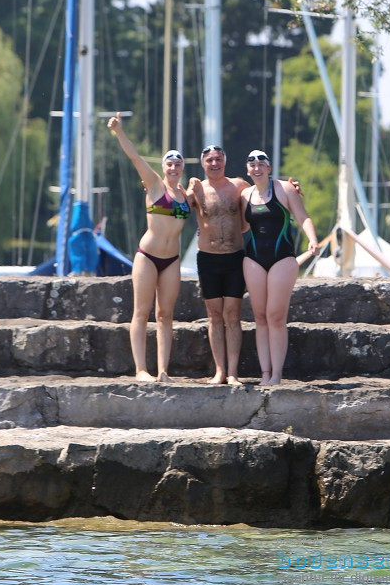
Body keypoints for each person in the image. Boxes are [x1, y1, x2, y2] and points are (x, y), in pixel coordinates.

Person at [108, 112, 190, 382]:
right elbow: (134, 157)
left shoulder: (187, 195)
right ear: (164, 167)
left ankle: (164, 370)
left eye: (178, 164)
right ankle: (141, 369)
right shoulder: (155, 184)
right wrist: (119, 131)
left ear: (183, 168)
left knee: (165, 315)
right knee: (142, 312)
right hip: (148, 256)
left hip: (172, 259)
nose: (173, 167)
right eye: (170, 163)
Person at [240, 149, 318, 386]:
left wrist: (312, 238)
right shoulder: (244, 194)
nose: (257, 167)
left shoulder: (285, 189)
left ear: (269, 168)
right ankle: (265, 373)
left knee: (275, 315)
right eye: (252, 163)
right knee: (260, 316)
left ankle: (277, 374)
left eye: (261, 163)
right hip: (253, 259)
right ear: (247, 169)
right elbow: (241, 227)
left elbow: (303, 217)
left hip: (282, 258)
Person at [186, 145, 249, 385]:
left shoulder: (239, 185)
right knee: (214, 315)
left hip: (234, 256)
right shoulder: (197, 189)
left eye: (218, 159)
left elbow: (264, 193)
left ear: (225, 161)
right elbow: (176, 204)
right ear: (203, 163)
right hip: (208, 257)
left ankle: (233, 372)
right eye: (210, 160)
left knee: (232, 314)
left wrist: (292, 188)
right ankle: (219, 371)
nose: (214, 163)